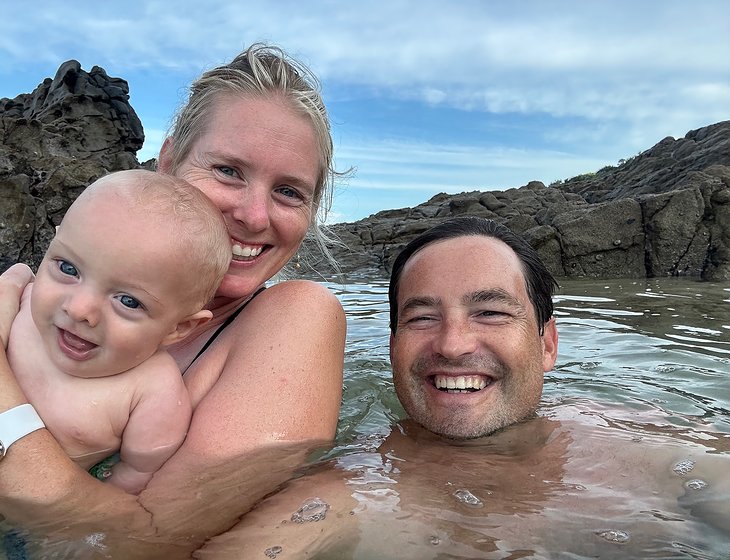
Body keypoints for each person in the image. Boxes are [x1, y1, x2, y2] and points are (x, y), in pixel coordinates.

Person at [194, 217, 729, 559]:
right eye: (422, 317)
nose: (452, 344)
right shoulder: (341, 495)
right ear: (392, 348)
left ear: (547, 344)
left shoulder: (658, 448)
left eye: (490, 312)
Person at [0, 43, 346, 558]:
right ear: (168, 164)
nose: (254, 216)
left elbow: (146, 541)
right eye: (228, 170)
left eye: (289, 192)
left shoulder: (296, 318)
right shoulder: (42, 296)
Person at [7, 169, 231, 495]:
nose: (79, 310)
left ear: (179, 327)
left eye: (128, 301)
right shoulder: (20, 303)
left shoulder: (154, 394)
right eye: (68, 268)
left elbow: (136, 475)